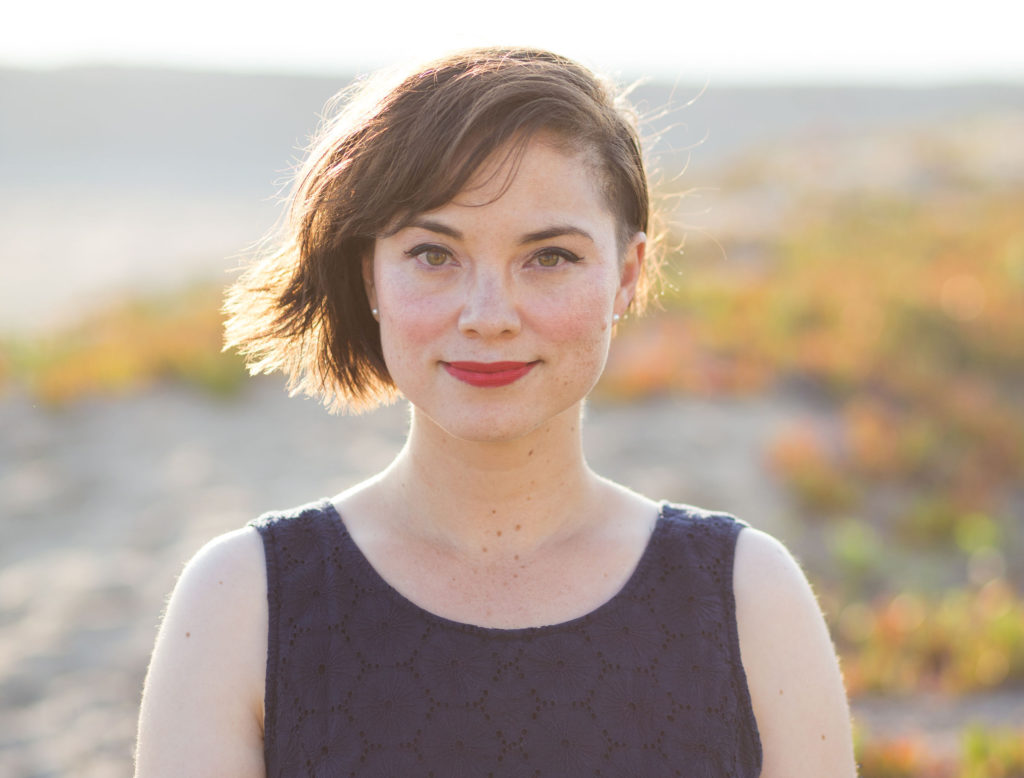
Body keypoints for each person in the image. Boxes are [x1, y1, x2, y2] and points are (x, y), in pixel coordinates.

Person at [134, 47, 855, 776]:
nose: (488, 316)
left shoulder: (749, 598)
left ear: (627, 276)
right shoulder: (241, 604)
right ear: (371, 275)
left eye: (550, 257)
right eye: (433, 254)